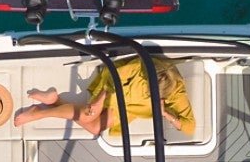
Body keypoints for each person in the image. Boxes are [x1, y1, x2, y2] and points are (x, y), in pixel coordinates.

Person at [13, 55, 195, 138]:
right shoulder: (145, 67)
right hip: (112, 90)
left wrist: (166, 114)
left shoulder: (176, 92)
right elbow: (114, 76)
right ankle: (38, 113)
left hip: (128, 109)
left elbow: (189, 128)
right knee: (88, 115)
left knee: (93, 129)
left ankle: (55, 101)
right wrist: (101, 98)